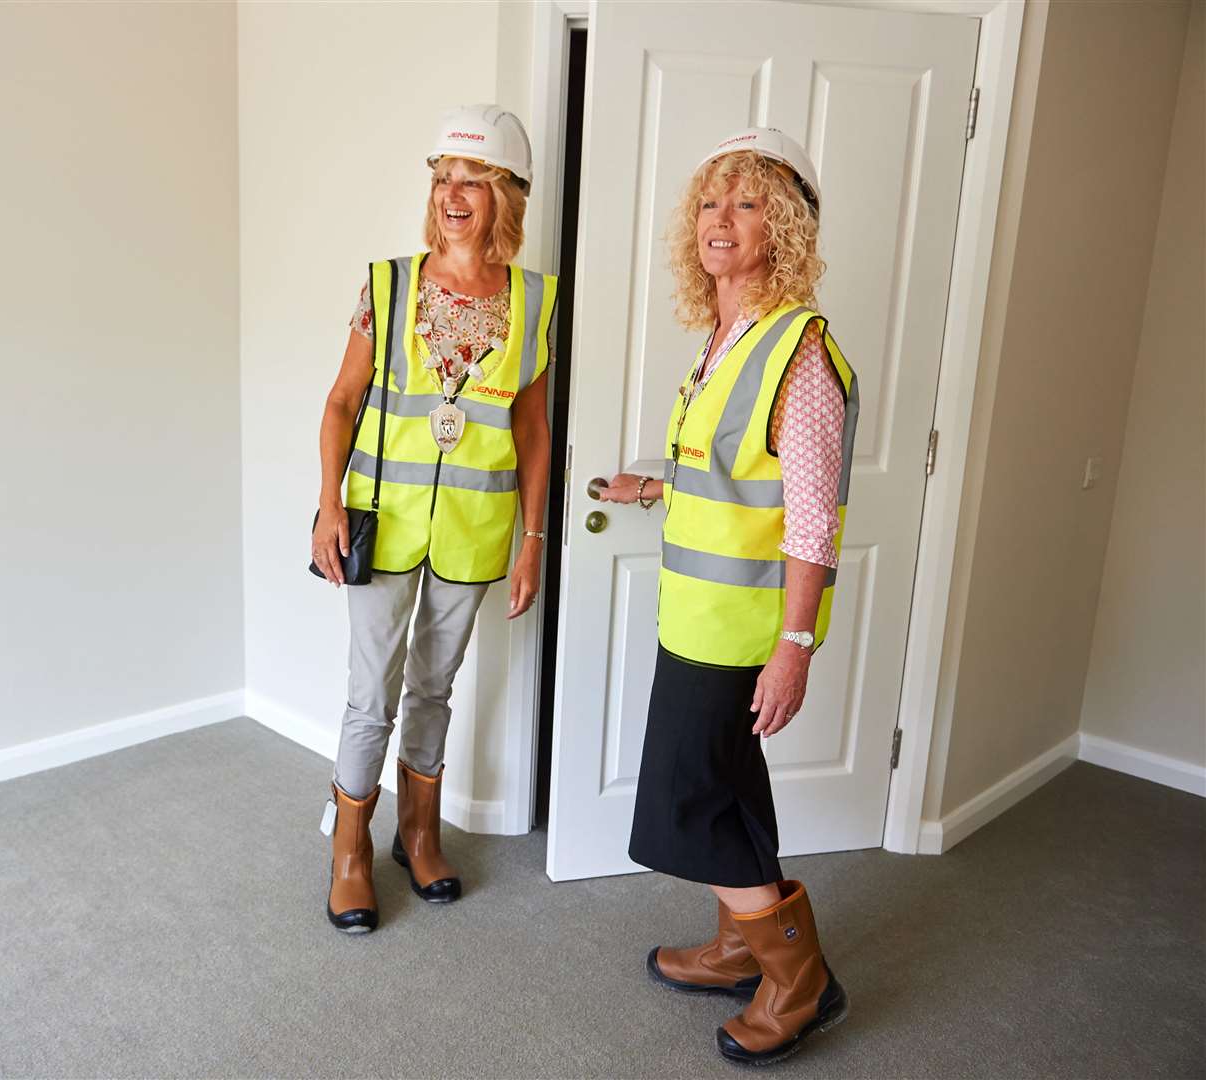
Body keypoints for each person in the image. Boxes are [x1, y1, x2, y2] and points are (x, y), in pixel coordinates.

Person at [599, 128, 859, 1064]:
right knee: (732, 794)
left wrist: (795, 642)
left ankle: (800, 983)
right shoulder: (724, 340)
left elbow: (810, 516)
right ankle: (737, 950)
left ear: (783, 228)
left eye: (747, 203)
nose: (720, 219)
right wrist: (650, 488)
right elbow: (733, 479)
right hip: (696, 615)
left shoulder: (799, 354)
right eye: (712, 200)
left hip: (744, 630)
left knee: (692, 795)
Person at [311, 105, 556, 934]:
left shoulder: (533, 300)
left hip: (475, 529)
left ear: (505, 197)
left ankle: (418, 832)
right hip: (378, 518)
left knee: (434, 686)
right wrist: (327, 506)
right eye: (443, 179)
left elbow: (531, 428)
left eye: (473, 182)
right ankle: (349, 849)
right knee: (368, 690)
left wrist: (532, 540)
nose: (452, 195)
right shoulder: (386, 283)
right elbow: (342, 400)